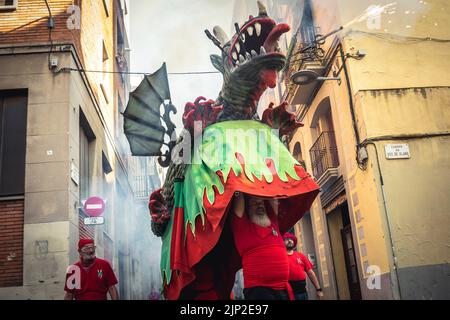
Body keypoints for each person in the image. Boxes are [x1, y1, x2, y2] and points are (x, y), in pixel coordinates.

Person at [230, 192, 292, 300]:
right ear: (248, 209)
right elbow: (238, 195)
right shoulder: (242, 226)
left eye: (261, 203)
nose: (259, 204)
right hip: (259, 291)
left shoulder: (272, 222)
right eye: (254, 203)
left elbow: (273, 193)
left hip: (282, 289)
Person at [283, 232, 323, 300]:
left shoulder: (301, 256)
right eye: (287, 239)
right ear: (282, 242)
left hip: (302, 293)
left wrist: (318, 289)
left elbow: (311, 273)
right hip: (286, 294)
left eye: (291, 239)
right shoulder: (280, 257)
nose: (289, 240)